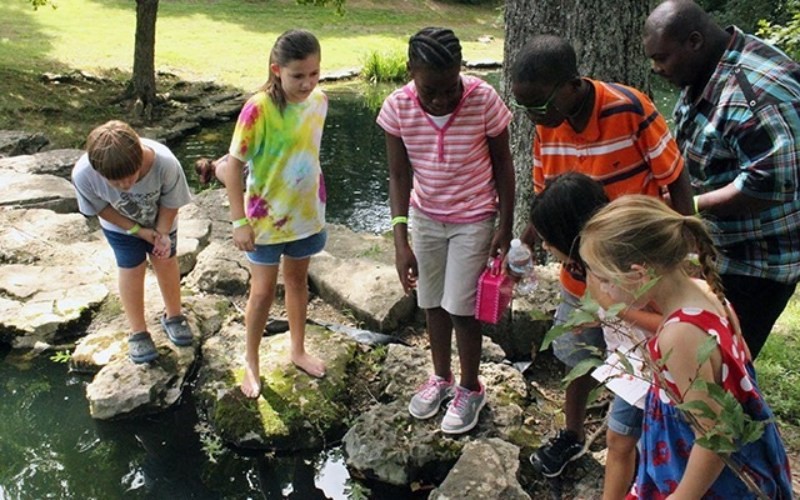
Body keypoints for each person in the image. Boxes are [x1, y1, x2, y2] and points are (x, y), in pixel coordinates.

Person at [509, 34, 695, 477]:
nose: (536, 118)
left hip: (638, 274)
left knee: (646, 368)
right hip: (582, 276)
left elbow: (674, 177)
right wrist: (528, 240)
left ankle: (652, 445)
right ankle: (573, 436)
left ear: (572, 84)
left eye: (540, 106)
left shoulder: (629, 109)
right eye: (527, 109)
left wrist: (687, 247)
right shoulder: (546, 124)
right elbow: (545, 195)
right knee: (577, 356)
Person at [579, 194, 792, 499]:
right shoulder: (705, 292)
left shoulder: (679, 334)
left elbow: (715, 433)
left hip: (699, 479)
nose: (602, 290)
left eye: (603, 279)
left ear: (640, 274)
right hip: (708, 460)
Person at [644, 0, 800, 359]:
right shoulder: (707, 66)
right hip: (720, 248)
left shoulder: (755, 96)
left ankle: (740, 415)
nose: (656, 68)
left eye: (662, 58)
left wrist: (688, 207)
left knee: (721, 365)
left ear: (694, 41)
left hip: (757, 263)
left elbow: (770, 185)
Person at [377, 27, 515, 434]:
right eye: (429, 91)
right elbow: (398, 175)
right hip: (425, 217)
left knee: (461, 305)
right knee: (431, 300)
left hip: (473, 216)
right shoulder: (397, 108)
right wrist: (401, 239)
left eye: (449, 88)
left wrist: (504, 225)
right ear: (410, 72)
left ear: (461, 72)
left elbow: (504, 165)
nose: (440, 100)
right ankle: (441, 378)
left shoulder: (483, 100)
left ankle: (471, 387)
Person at [531, 173, 661, 498]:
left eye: (548, 239)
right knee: (624, 439)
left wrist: (614, 310)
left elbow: (672, 323)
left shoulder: (626, 266)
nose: (545, 246)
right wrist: (595, 318)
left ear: (569, 234)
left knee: (620, 441)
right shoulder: (590, 262)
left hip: (651, 366)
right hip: (633, 361)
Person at [223, 29, 328, 399]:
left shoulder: (320, 102)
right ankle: (251, 361)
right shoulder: (258, 109)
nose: (307, 83)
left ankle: (297, 349)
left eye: (314, 73)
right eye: (298, 75)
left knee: (298, 283)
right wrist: (239, 221)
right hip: (264, 220)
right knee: (263, 291)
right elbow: (233, 166)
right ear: (276, 70)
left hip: (305, 214)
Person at [72, 120, 193, 363]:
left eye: (131, 178)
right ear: (99, 172)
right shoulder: (83, 174)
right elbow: (101, 208)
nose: (125, 186)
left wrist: (161, 234)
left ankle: (174, 315)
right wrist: (137, 230)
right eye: (115, 183)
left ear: (140, 159)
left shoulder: (165, 162)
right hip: (120, 227)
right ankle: (138, 331)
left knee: (166, 260)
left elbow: (172, 202)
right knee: (131, 268)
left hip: (162, 219)